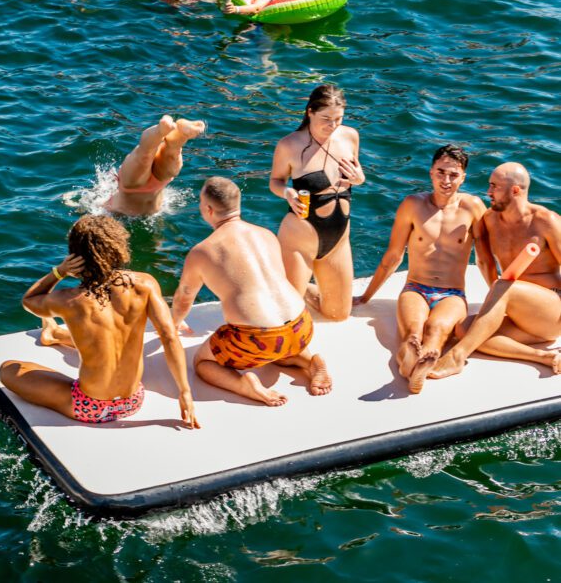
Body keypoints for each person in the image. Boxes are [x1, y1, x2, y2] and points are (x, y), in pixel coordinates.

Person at [0, 215, 200, 427]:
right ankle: (55, 335)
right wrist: (185, 391)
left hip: (88, 407)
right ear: (118, 247)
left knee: (8, 369)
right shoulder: (145, 284)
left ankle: (54, 335)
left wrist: (59, 272)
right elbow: (169, 336)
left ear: (76, 256)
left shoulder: (69, 300)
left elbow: (29, 301)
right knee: (105, 337)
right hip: (132, 402)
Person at [172, 177, 332, 406]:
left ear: (207, 209)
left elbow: (184, 298)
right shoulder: (265, 234)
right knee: (279, 346)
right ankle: (309, 361)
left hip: (256, 339)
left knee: (203, 363)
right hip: (301, 326)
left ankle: (244, 385)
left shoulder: (202, 251)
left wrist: (175, 323)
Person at [353, 145, 491, 394]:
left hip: (452, 294)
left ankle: (418, 368)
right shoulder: (413, 205)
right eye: (441, 172)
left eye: (453, 175)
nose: (446, 180)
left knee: (436, 330)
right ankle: (412, 367)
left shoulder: (473, 207)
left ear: (463, 177)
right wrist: (366, 296)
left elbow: (484, 260)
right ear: (430, 172)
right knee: (413, 334)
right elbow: (393, 256)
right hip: (416, 288)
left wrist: (497, 299)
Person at [432, 162, 561, 377]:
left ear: (515, 191)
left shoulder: (546, 221)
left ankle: (457, 357)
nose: (488, 192)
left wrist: (500, 291)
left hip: (553, 311)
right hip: (519, 311)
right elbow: (484, 263)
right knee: (464, 329)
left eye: (494, 186)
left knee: (506, 287)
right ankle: (544, 357)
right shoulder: (490, 220)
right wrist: (494, 303)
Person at [269, 84, 364, 321]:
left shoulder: (350, 136)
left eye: (338, 119)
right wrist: (287, 193)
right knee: (287, 314)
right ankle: (290, 288)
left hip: (338, 239)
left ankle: (298, 288)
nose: (332, 126)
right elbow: (275, 181)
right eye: (326, 119)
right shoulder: (290, 145)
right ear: (310, 111)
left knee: (339, 314)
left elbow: (357, 174)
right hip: (300, 240)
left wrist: (360, 179)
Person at [105, 115, 205, 216]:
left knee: (145, 155)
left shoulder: (104, 208)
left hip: (130, 188)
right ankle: (181, 133)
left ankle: (161, 130)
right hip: (158, 184)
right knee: (170, 154)